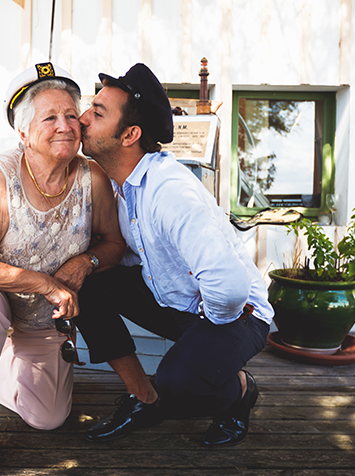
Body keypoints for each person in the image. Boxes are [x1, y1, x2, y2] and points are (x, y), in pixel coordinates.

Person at [75, 63, 274, 447]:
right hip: (178, 300)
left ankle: (239, 391)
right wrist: (85, 263)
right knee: (88, 287)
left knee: (179, 385)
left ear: (130, 134)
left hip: (235, 313)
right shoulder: (126, 187)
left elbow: (229, 287)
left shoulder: (170, 192)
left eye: (97, 113)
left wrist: (207, 325)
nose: (82, 118)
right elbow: (137, 255)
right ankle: (142, 398)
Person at [0, 62, 125, 476]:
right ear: (23, 134)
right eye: (49, 117)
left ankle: (0, 360)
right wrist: (45, 282)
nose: (65, 125)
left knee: (49, 418)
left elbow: (114, 244)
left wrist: (87, 260)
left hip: (44, 321)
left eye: (71, 115)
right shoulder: (2, 174)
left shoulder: (89, 175)